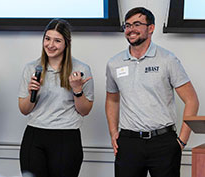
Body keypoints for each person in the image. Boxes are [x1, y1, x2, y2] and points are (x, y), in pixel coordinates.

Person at [105, 7, 199, 177]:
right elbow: (112, 100)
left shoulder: (167, 59)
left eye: (137, 24)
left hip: (163, 142)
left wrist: (181, 141)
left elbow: (192, 100)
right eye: (127, 25)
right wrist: (113, 133)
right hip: (128, 143)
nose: (130, 29)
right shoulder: (114, 63)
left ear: (151, 28)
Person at [18, 18, 94, 177]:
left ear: (67, 43)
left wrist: (77, 90)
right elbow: (24, 110)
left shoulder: (81, 69)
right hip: (35, 135)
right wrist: (33, 92)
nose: (50, 45)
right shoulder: (32, 68)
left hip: (66, 137)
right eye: (47, 39)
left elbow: (85, 110)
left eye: (57, 41)